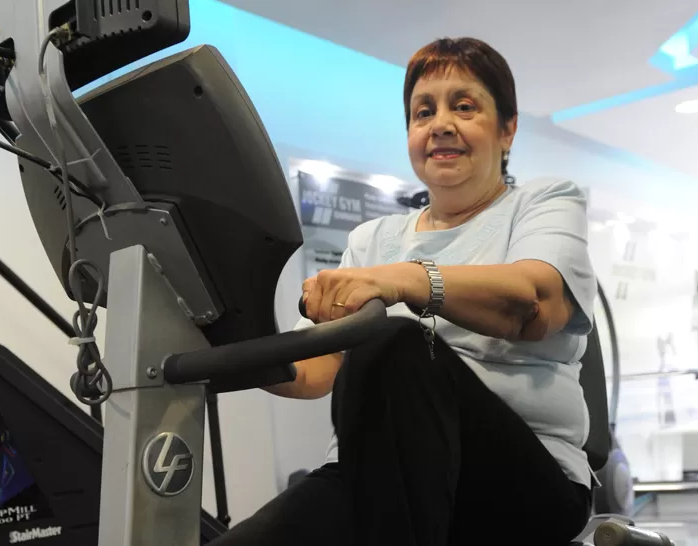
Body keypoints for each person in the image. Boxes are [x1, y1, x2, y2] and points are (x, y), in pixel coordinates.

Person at [215, 37, 597, 546]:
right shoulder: (373, 240)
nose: (440, 124)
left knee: (392, 342)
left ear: (508, 129)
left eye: (463, 107)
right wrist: (224, 329)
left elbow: (534, 302)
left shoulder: (543, 202)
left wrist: (406, 280)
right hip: (375, 474)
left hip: (523, 477)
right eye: (423, 112)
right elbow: (312, 372)